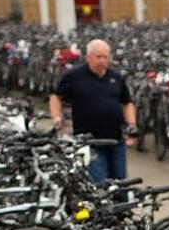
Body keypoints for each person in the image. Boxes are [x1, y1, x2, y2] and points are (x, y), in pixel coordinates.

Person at [50, 39, 137, 183]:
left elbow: (127, 103)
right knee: (99, 184)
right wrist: (56, 118)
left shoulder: (116, 78)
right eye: (98, 57)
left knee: (120, 184)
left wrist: (132, 126)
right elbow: (56, 97)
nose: (102, 61)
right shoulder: (74, 76)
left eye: (105, 57)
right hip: (90, 143)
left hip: (115, 141)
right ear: (88, 57)